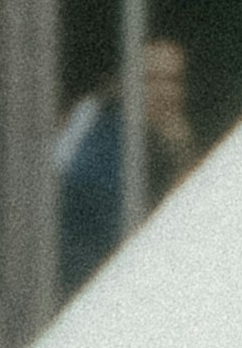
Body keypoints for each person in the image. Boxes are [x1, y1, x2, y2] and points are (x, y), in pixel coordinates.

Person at [52, 40, 201, 294]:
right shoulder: (103, 141)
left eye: (173, 81)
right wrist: (178, 156)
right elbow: (152, 241)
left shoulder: (153, 139)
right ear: (124, 86)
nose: (164, 92)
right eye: (151, 80)